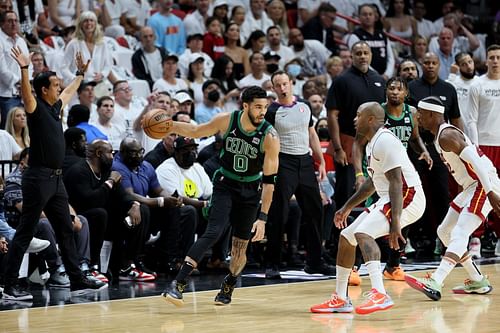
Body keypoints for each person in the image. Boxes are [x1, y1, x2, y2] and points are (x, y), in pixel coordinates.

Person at [2, 46, 107, 300]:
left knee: (66, 228)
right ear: (43, 90)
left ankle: (76, 279)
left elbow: (70, 91)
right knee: (26, 231)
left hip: (56, 179)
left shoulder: (54, 107)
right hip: (38, 178)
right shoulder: (35, 108)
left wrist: (80, 74)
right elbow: (27, 95)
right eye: (55, 85)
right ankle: (9, 286)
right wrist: (25, 68)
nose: (60, 88)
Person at [160, 86, 280, 306]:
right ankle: (177, 284)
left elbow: (270, 182)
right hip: (225, 183)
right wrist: (169, 125)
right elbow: (197, 132)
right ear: (245, 106)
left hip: (251, 191)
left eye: (265, 107)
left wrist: (262, 218)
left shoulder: (270, 136)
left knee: (239, 247)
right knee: (213, 231)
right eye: (258, 107)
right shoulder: (227, 120)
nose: (263, 112)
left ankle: (230, 283)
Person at [310, 102, 425, 315]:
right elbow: (372, 183)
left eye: (358, 114)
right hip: (389, 197)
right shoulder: (373, 142)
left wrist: (396, 223)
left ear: (371, 119)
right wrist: (346, 207)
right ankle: (341, 299)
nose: (354, 119)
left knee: (364, 233)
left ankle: (380, 293)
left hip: (409, 196)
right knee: (347, 236)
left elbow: (397, 183)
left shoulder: (385, 141)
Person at [405, 96, 498, 300]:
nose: (418, 119)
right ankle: (477, 280)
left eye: (421, 115)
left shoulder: (447, 135)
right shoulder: (440, 135)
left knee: (460, 232)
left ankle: (436, 280)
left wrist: (490, 192)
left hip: (484, 184)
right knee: (444, 231)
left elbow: (478, 163)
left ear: (432, 114)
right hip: (472, 186)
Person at [264, 71, 332, 279]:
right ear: (274, 88)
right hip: (283, 162)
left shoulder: (304, 106)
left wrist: (320, 162)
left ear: (291, 84)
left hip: (305, 161)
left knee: (315, 211)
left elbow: (311, 133)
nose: (282, 88)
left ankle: (314, 262)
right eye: (278, 85)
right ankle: (272, 263)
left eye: (285, 84)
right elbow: (266, 141)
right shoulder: (272, 111)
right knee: (279, 213)